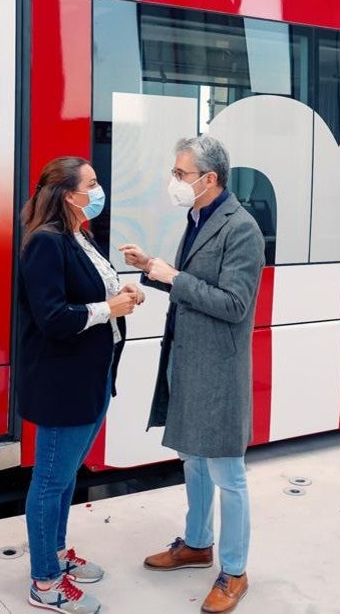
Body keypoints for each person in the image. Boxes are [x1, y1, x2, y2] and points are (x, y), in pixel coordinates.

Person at [119, 135, 265, 614]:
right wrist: (152, 269)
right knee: (193, 460)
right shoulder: (198, 217)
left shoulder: (241, 228)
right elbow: (193, 284)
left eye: (181, 174)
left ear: (210, 179)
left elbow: (234, 303)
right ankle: (198, 544)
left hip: (217, 368)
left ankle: (234, 571)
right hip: (188, 359)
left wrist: (171, 276)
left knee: (228, 472)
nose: (174, 182)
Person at [17, 157, 145, 613]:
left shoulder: (79, 234)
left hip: (92, 375)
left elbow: (94, 292)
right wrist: (110, 309)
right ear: (69, 194)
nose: (99, 189)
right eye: (91, 183)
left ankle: (54, 554)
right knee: (50, 481)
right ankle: (44, 584)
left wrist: (126, 295)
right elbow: (52, 318)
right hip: (62, 382)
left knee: (66, 476)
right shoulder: (45, 244)